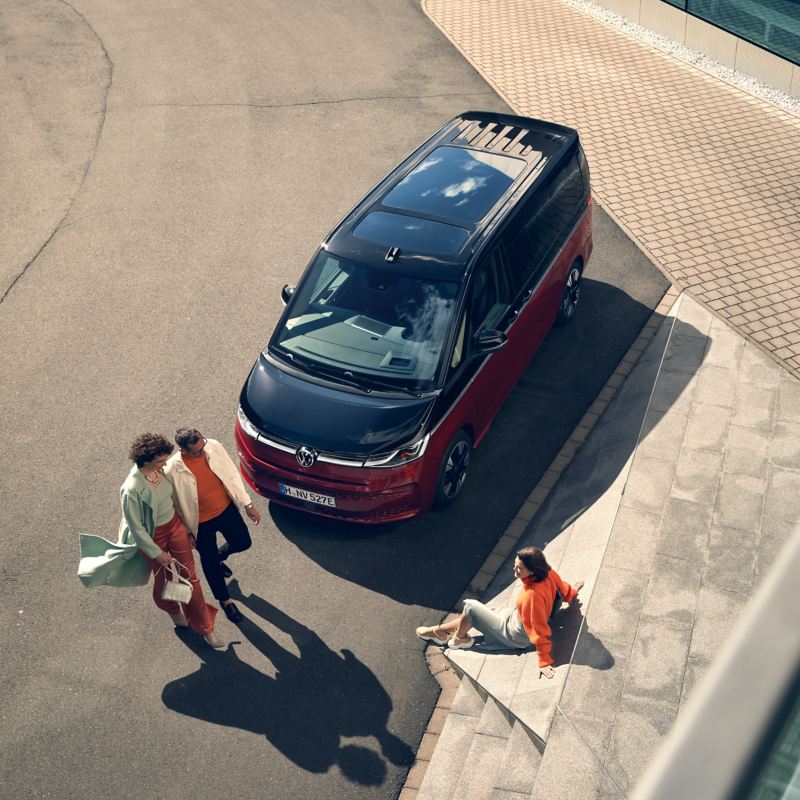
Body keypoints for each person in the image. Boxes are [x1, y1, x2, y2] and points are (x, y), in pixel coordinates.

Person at [415, 546, 584, 679]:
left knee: (471, 607)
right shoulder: (548, 573)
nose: (514, 570)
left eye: (519, 569)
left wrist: (544, 661)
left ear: (532, 571)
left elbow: (539, 630)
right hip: (514, 618)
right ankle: (439, 631)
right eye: (515, 565)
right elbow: (563, 590)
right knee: (474, 614)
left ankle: (458, 639)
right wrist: (573, 592)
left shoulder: (532, 597)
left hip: (515, 634)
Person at [122, 433, 223, 647]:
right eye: (160, 460)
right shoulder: (131, 489)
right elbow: (136, 528)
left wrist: (187, 528)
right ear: (146, 459)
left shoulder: (162, 472)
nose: (165, 463)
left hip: (175, 527)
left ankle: (206, 628)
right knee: (165, 581)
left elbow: (174, 500)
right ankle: (173, 609)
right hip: (153, 538)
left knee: (190, 578)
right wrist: (157, 554)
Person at [164, 427, 261, 624]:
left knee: (243, 542)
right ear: (183, 450)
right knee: (208, 562)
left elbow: (232, 474)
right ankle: (225, 601)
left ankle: (218, 557)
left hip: (226, 509)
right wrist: (187, 532)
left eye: (203, 444)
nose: (202, 451)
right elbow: (173, 504)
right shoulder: (171, 469)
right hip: (199, 524)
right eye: (197, 451)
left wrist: (247, 504)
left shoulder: (214, 446)